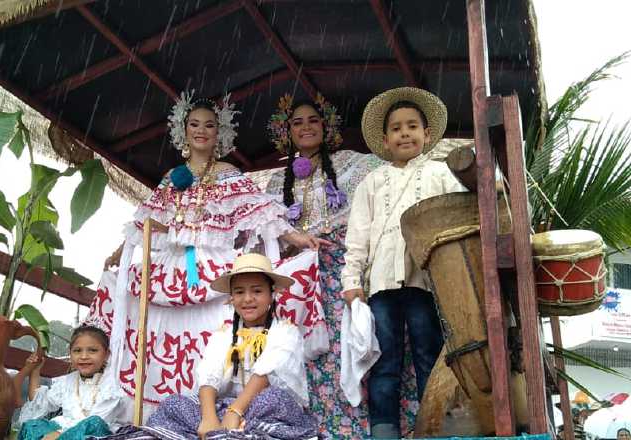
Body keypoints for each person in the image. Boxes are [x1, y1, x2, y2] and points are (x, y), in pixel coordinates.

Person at [85, 91, 325, 423]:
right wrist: (117, 253)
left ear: (219, 133)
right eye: (194, 124)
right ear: (183, 131)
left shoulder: (228, 173)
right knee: (149, 329)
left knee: (218, 338)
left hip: (212, 268)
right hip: (170, 269)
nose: (201, 131)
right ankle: (163, 418)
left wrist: (296, 237)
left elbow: (261, 214)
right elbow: (147, 223)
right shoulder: (172, 178)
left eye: (209, 125)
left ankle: (221, 411)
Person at [341, 87, 467, 438]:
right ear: (385, 139)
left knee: (431, 355)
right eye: (396, 128)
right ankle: (385, 433)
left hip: (429, 282)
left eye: (412, 126)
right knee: (384, 363)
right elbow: (358, 238)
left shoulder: (441, 174)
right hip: (381, 284)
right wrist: (352, 283)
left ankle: (434, 429)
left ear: (427, 134)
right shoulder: (372, 182)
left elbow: (456, 219)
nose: (404, 133)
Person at [266, 93, 384, 437]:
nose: (305, 127)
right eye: (297, 122)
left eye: (313, 120)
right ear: (286, 132)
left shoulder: (352, 163)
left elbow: (386, 182)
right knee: (304, 355)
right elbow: (266, 225)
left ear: (326, 127)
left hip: (340, 273)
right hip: (299, 281)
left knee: (349, 346)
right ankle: (313, 429)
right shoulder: (276, 181)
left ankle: (359, 428)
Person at [112, 253, 319, 440]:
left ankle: (236, 431)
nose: (247, 299)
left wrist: (234, 412)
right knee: (174, 403)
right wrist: (209, 418)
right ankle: (222, 433)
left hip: (262, 409)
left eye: (257, 291)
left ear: (271, 294)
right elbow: (208, 375)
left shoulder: (285, 331)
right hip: (225, 408)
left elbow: (265, 373)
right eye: (239, 292)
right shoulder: (224, 335)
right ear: (231, 298)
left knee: (274, 398)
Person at [17, 325, 126, 440]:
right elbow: (39, 404)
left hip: (90, 435)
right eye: (77, 351)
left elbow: (97, 424)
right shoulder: (66, 382)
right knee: (32, 425)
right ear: (70, 354)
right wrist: (35, 371)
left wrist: (58, 436)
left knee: (94, 423)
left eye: (93, 350)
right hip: (62, 429)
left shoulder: (111, 387)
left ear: (106, 354)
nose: (84, 356)